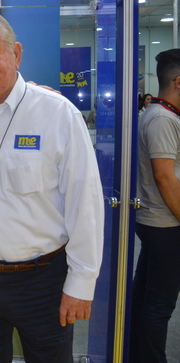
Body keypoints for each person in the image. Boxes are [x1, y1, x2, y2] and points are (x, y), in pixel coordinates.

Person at [0, 13, 104, 362]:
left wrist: (81, 284)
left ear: (17, 54)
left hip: (41, 281)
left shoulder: (57, 115)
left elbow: (85, 203)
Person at [129, 48, 180, 363]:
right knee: (159, 306)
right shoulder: (161, 118)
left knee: (145, 297)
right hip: (165, 225)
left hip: (157, 223)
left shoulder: (159, 114)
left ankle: (136, 354)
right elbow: (164, 177)